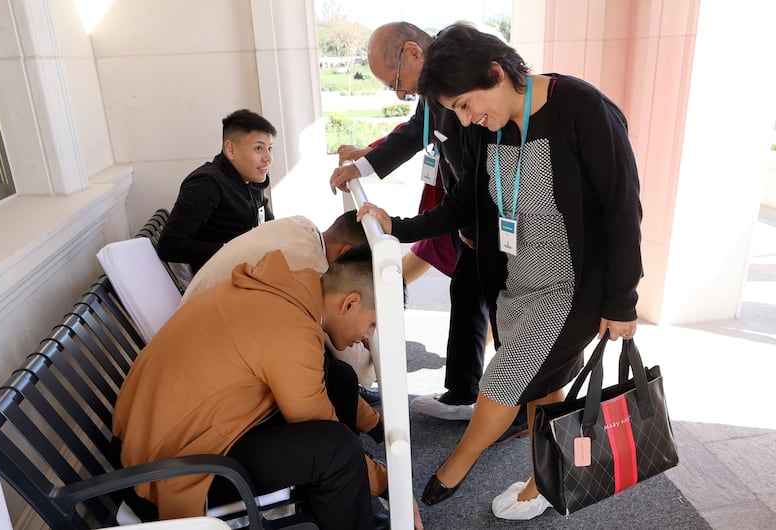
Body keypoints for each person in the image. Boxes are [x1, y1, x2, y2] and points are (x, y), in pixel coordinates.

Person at [357, 22, 643, 521]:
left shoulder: (580, 108)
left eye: (466, 105)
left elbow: (623, 208)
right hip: (519, 285)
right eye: (457, 111)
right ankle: (544, 479)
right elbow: (465, 200)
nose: (466, 120)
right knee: (545, 389)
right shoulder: (493, 128)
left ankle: (457, 464)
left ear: (495, 72)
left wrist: (622, 301)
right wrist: (397, 226)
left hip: (573, 288)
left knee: (504, 378)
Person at [113, 246, 423, 529]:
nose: (369, 337)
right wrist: (390, 483)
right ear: (350, 302)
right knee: (338, 452)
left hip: (176, 440)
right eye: (372, 324)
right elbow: (322, 429)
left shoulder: (286, 292)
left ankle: (345, 500)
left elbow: (322, 385)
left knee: (339, 376)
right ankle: (352, 506)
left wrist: (377, 425)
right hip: (169, 472)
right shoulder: (290, 329)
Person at [330, 22, 528, 440]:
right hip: (472, 220)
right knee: (466, 293)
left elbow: (471, 193)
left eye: (396, 83)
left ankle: (520, 411)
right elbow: (414, 134)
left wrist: (398, 226)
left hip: (497, 222)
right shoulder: (434, 92)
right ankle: (462, 393)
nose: (402, 95)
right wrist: (364, 165)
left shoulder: (467, 89)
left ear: (413, 53)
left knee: (504, 315)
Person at [181, 211, 379, 395]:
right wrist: (372, 340)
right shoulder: (311, 269)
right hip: (202, 368)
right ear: (348, 254)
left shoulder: (302, 226)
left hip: (194, 332)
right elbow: (354, 363)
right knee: (335, 374)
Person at [157, 109, 276, 274]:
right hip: (223, 283)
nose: (268, 158)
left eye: (270, 148)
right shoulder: (206, 184)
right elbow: (169, 245)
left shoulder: (250, 179)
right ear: (231, 150)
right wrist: (233, 250)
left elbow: (268, 225)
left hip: (251, 272)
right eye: (258, 149)